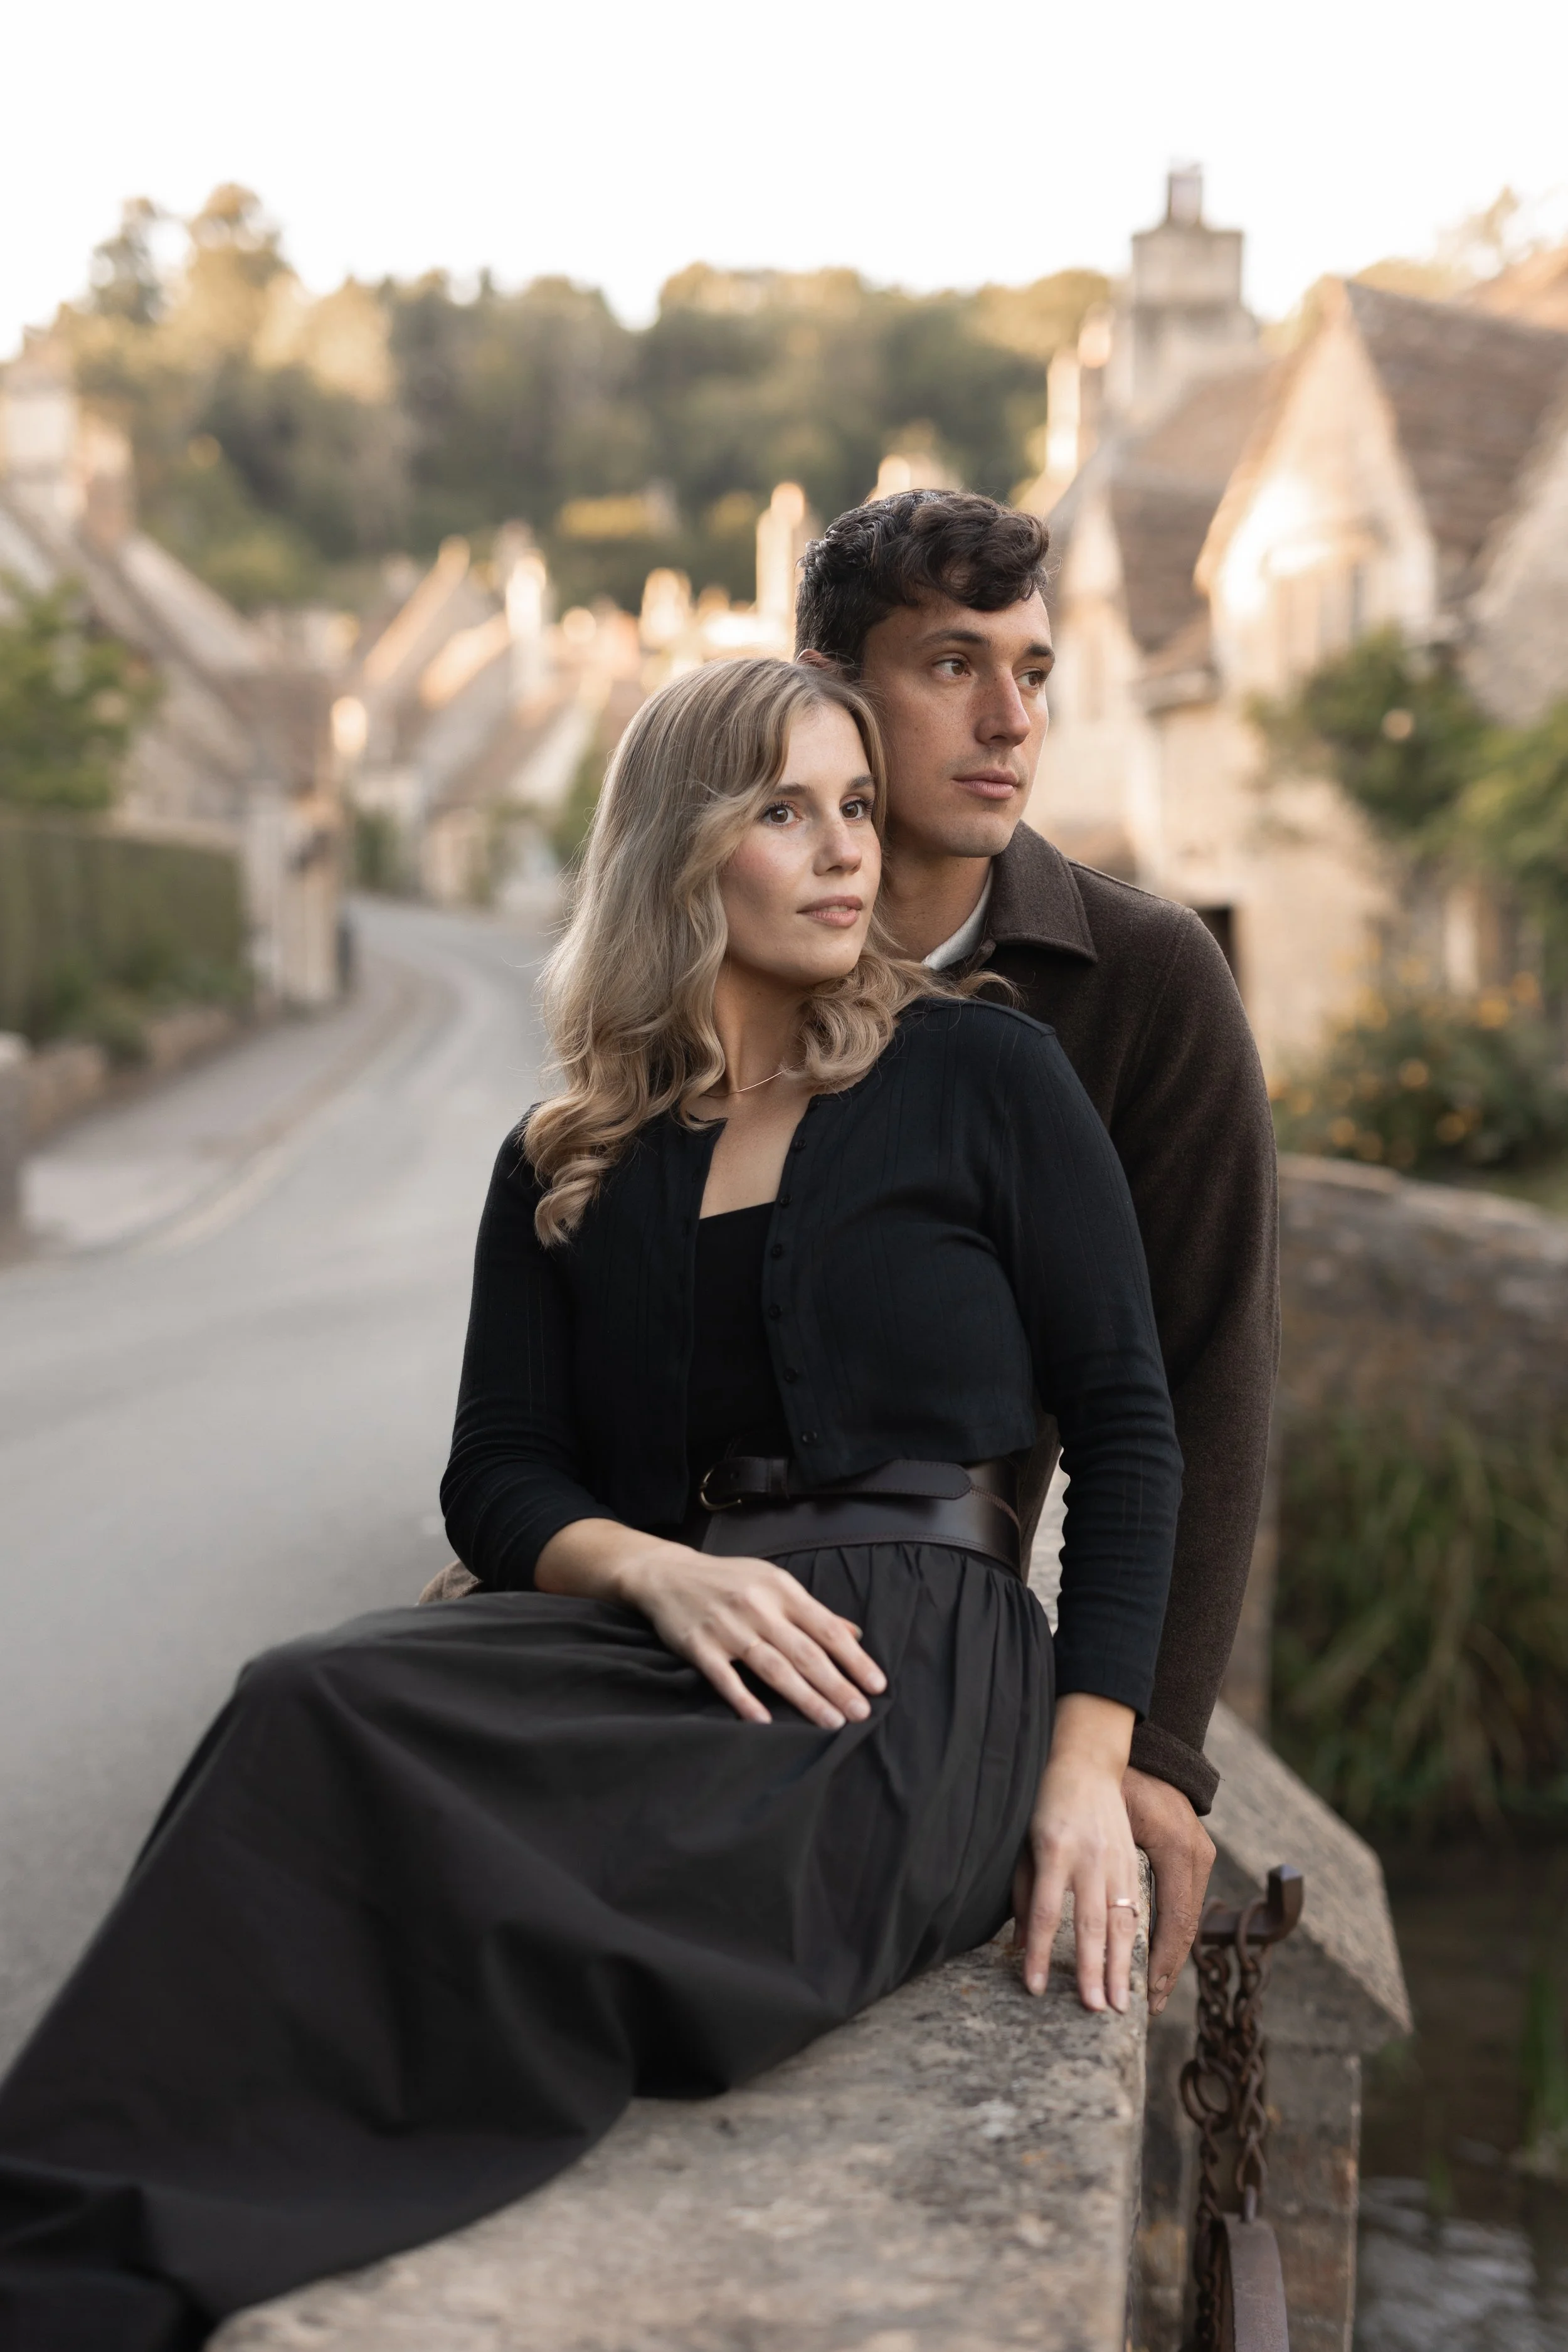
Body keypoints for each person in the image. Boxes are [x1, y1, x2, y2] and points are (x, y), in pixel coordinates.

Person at [0, 658, 1181, 2350]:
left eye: (855, 804)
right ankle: (65, 2246)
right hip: (679, 1645)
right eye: (785, 809)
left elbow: (1132, 1423)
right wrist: (653, 1572)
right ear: (678, 850)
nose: (847, 851)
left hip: (908, 1681)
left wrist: (1089, 1768)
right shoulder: (570, 1155)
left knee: (517, 1873)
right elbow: (498, 1472)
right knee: (305, 1701)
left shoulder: (984, 1075)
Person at [793, 490, 1278, 2017]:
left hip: (924, 1638)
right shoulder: (724, 944)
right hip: (675, 1596)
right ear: (828, 693)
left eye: (1035, 671)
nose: (1010, 718)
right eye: (951, 666)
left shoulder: (1142, 980)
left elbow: (1205, 1377)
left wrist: (1145, 1751)